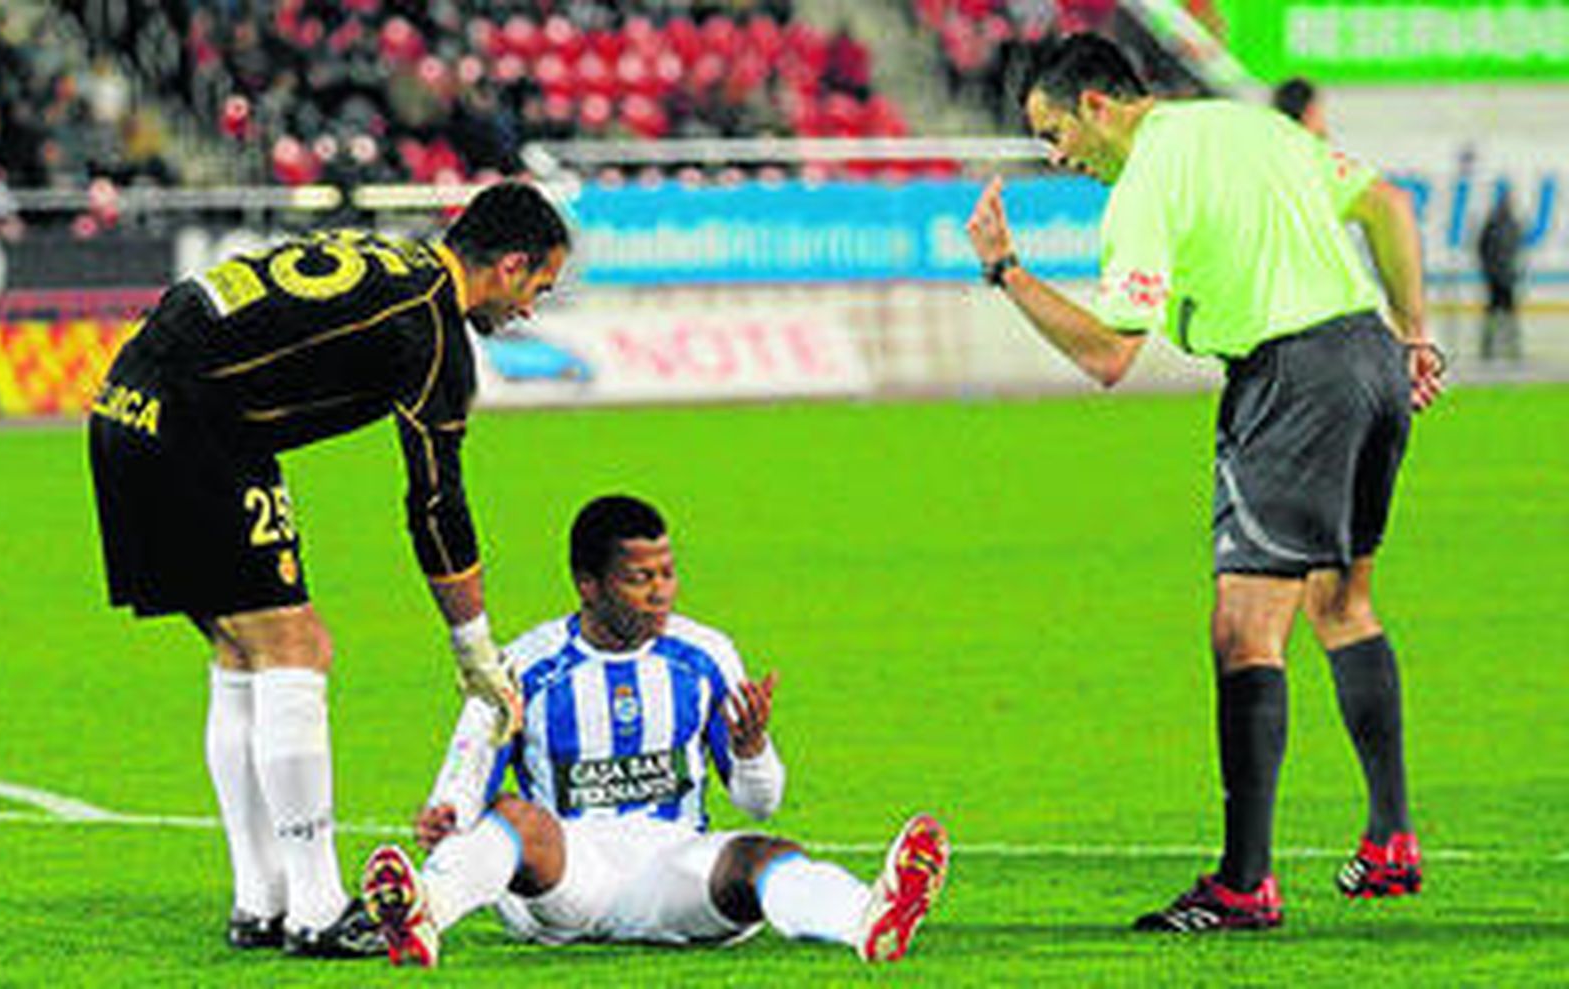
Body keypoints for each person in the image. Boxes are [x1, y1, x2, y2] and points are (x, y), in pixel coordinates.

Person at [964, 34, 1445, 932]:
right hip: (1372, 361)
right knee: (1343, 602)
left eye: (1054, 131)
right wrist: (1413, 333)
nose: (1057, 156)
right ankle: (1390, 837)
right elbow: (1384, 203)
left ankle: (1244, 881)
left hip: (1291, 378)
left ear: (1098, 105)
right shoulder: (1247, 127)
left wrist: (1006, 270)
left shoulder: (1145, 181)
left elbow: (1110, 354)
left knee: (1244, 628)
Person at [87, 180, 570, 957]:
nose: (531, 308)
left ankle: (261, 898)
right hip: (194, 426)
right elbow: (437, 503)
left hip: (135, 403)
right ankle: (315, 909)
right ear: (510, 265)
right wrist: (473, 646)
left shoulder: (394, 261)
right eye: (538, 287)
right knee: (297, 648)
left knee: (243, 649)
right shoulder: (433, 328)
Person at [356, 495, 950, 966]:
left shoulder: (707, 654)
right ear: (589, 584)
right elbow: (461, 783)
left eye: (667, 573)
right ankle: (422, 912)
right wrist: (446, 814)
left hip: (673, 869)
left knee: (763, 856)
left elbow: (760, 802)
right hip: (566, 878)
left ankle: (866, 919)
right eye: (639, 578)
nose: (660, 591)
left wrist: (751, 752)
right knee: (514, 817)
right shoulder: (522, 667)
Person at [1477, 185, 1523, 360]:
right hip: (1498, 277)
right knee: (1497, 314)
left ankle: (1508, 346)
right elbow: (1482, 249)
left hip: (1503, 277)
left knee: (1504, 314)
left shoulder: (1510, 224)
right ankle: (1491, 346)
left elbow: (1516, 250)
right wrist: (1490, 270)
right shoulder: (1497, 225)